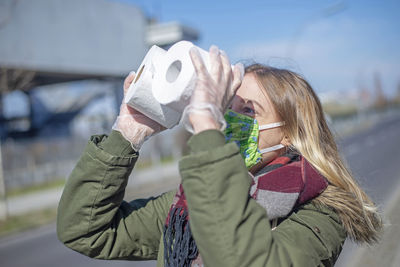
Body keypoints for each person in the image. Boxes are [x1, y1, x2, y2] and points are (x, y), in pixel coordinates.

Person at [57, 45, 382, 267]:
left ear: (290, 133)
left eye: (248, 110)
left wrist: (208, 125)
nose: (228, 118)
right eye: (227, 107)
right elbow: (86, 230)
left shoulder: (321, 215)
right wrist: (127, 132)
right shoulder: (193, 201)